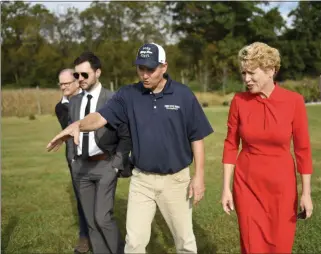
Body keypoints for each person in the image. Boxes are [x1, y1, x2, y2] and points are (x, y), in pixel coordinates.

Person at [46, 43, 214, 254]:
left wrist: (198, 177)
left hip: (176, 180)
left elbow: (196, 137)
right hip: (141, 180)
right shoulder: (128, 94)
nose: (144, 75)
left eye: (150, 69)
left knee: (184, 242)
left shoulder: (183, 94)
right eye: (140, 68)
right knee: (133, 244)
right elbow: (99, 117)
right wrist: (76, 125)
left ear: (164, 67)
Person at [221, 42, 314, 254]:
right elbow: (230, 145)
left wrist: (306, 193)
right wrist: (226, 188)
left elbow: (303, 150)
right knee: (251, 245)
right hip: (246, 186)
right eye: (243, 73)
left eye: (251, 73)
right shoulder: (238, 101)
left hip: (282, 188)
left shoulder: (294, 101)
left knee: (280, 245)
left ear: (271, 70)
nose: (246, 79)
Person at [66, 51, 132, 254]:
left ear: (98, 73)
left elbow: (126, 136)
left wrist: (116, 165)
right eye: (76, 75)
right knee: (91, 221)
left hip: (105, 165)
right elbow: (71, 130)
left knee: (103, 218)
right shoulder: (75, 101)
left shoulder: (113, 99)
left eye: (85, 75)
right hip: (81, 168)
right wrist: (72, 160)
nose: (80, 79)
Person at [55, 69, 89, 254]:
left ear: (77, 82)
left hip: (97, 155)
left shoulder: (91, 98)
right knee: (81, 197)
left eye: (67, 83)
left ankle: (102, 233)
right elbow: (71, 127)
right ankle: (84, 236)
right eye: (61, 84)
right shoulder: (61, 107)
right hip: (75, 157)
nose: (63, 87)